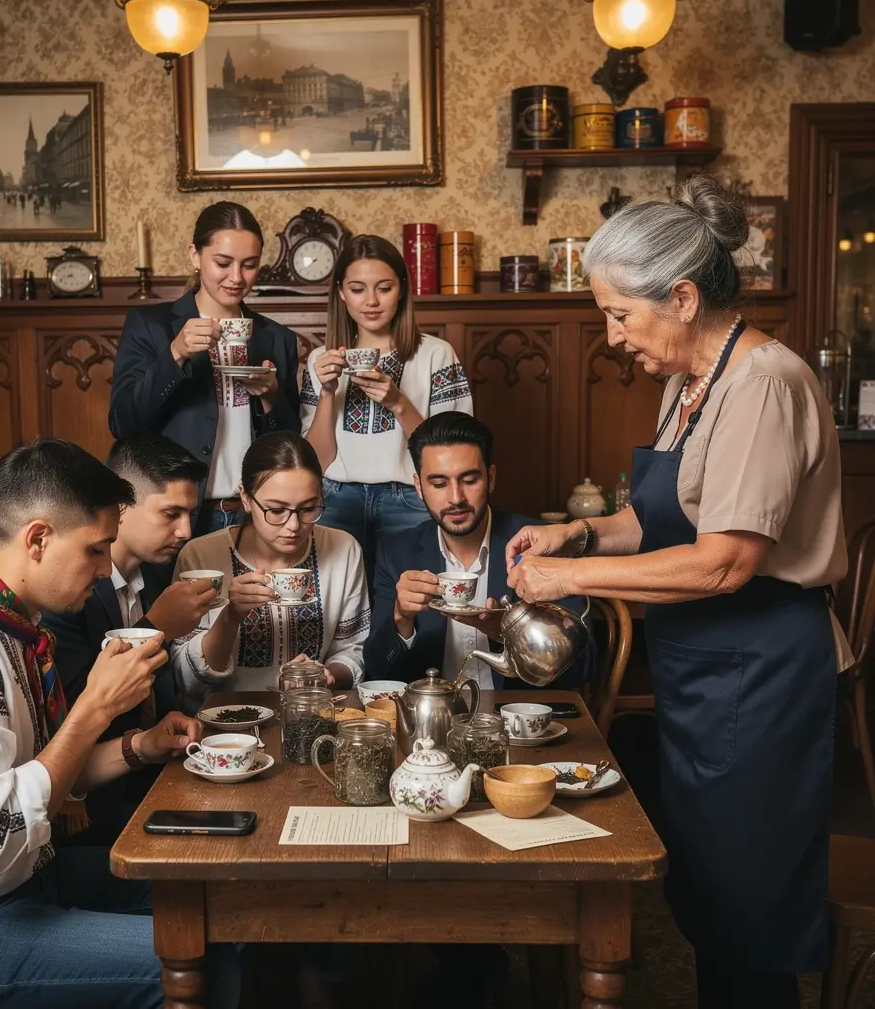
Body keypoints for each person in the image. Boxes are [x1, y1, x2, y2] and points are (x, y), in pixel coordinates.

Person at [505, 175, 853, 1009]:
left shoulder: (762, 383)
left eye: (620, 315)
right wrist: (577, 534)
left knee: (749, 911)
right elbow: (658, 519)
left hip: (763, 674)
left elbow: (724, 560)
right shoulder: (688, 381)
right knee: (709, 896)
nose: (613, 337)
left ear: (684, 297)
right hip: (707, 670)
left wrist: (570, 579)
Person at [0, 438, 241, 1009]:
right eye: (95, 550)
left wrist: (139, 746)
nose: (105, 569)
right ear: (38, 539)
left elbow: (45, 774)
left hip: (11, 887)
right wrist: (94, 708)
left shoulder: (4, 623)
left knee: (222, 908)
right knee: (195, 959)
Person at [42, 432, 217, 847]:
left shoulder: (156, 574)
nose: (185, 531)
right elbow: (74, 715)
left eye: (191, 513)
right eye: (171, 513)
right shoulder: (67, 593)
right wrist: (156, 629)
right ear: (121, 507)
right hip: (95, 806)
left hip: (159, 772)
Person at [109, 201, 301, 537]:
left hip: (254, 516)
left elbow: (289, 444)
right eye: (223, 263)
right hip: (177, 517)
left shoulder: (277, 338)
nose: (237, 278)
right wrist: (175, 354)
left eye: (250, 265)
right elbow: (123, 423)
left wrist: (271, 397)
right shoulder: (151, 325)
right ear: (195, 256)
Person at [364, 410, 593, 690]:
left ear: (491, 478)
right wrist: (401, 619)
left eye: (469, 480)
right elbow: (377, 672)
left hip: (517, 713)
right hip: (435, 715)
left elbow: (583, 668)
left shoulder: (542, 545)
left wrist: (509, 634)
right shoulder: (396, 552)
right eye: (439, 484)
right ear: (419, 487)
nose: (456, 498)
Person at [300, 234, 472, 583]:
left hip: (409, 499)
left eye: (384, 288)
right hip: (335, 500)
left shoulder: (436, 354)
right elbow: (317, 461)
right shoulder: (321, 360)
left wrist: (398, 403)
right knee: (335, 601)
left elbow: (454, 453)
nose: (372, 301)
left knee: (412, 600)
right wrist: (328, 392)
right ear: (341, 292)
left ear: (402, 290)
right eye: (358, 289)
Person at [172, 431, 368, 703]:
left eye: (308, 508)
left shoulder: (343, 550)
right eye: (276, 510)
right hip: (226, 718)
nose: (293, 526)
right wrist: (230, 617)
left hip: (311, 710)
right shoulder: (201, 557)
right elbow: (186, 680)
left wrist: (326, 676)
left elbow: (352, 651)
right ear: (246, 498)